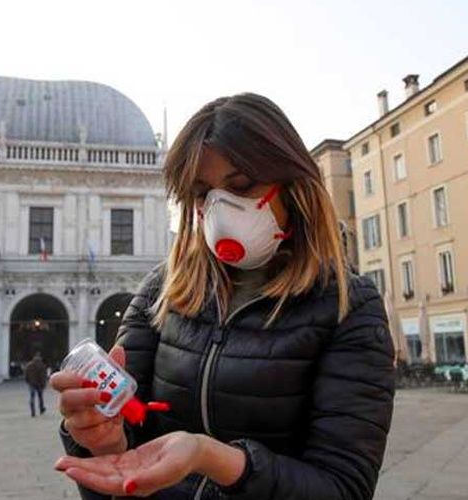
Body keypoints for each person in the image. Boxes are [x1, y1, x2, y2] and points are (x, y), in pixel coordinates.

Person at [51, 93, 395, 499]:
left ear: (295, 187)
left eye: (242, 186)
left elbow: (344, 488)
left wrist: (215, 459)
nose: (219, 208)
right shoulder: (162, 293)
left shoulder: (348, 308)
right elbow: (126, 445)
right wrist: (103, 441)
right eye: (202, 194)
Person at [25, 353, 48, 417]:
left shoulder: (29, 365)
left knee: (32, 398)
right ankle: (41, 409)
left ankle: (33, 412)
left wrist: (28, 381)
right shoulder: (42, 365)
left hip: (31, 384)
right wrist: (44, 384)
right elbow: (44, 376)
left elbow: (26, 375)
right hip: (39, 384)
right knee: (40, 397)